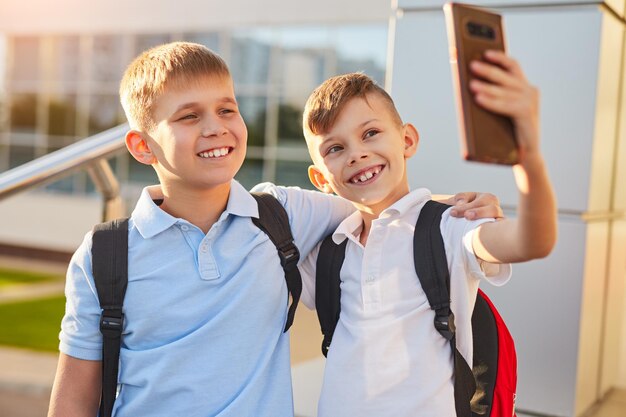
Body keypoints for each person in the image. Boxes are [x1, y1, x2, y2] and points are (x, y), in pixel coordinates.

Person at [47, 42, 502, 417]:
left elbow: (375, 195)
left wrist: (449, 203)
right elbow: (74, 398)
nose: (216, 128)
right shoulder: (106, 254)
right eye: (189, 116)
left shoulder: (280, 215)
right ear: (142, 146)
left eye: (227, 109)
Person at [298, 50, 557, 416]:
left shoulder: (449, 227)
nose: (356, 154)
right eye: (336, 148)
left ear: (407, 141)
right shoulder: (327, 251)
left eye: (370, 133)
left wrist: (528, 156)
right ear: (321, 179)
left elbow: (532, 241)